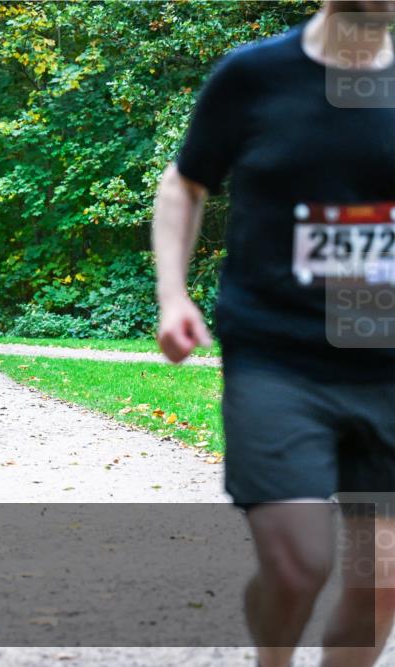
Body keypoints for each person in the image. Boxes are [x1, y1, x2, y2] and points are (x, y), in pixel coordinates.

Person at [152, 3, 394, 666]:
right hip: (277, 357)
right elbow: (185, 182)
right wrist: (173, 295)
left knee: (382, 581)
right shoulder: (255, 76)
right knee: (299, 564)